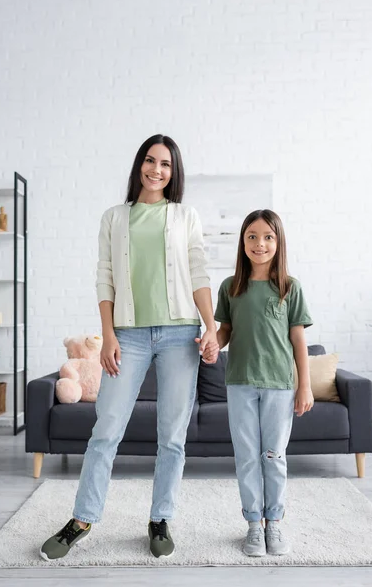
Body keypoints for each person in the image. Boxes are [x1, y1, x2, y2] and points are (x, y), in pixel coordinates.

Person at [40, 134, 219, 561]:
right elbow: (105, 278)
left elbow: (199, 273)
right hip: (129, 335)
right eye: (151, 161)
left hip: (180, 334)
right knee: (106, 429)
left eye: (166, 165)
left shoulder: (185, 215)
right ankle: (82, 519)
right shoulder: (115, 217)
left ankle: (160, 519)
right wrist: (109, 334)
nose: (157, 170)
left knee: (172, 436)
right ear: (139, 164)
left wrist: (211, 326)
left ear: (174, 172)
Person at [212, 209, 313, 557]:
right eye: (252, 236)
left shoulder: (289, 287)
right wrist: (212, 343)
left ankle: (276, 522)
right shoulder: (230, 287)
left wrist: (305, 386)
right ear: (242, 242)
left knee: (274, 455)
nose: (260, 243)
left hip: (280, 386)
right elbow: (224, 331)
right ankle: (253, 524)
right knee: (247, 457)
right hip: (239, 383)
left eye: (268, 236)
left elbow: (298, 341)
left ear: (278, 241)